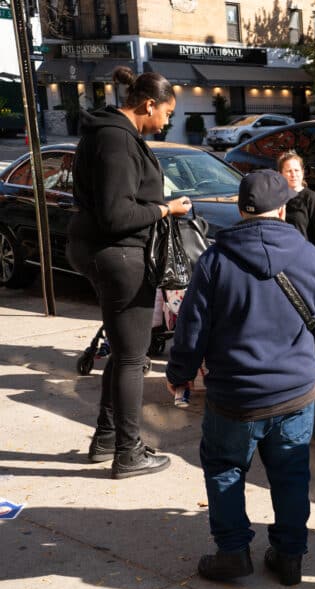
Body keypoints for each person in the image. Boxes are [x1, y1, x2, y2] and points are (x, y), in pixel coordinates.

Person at [165, 170, 315, 586]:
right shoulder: (313, 259)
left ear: (243, 210)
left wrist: (180, 375)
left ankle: (232, 553)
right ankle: (290, 555)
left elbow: (192, 328)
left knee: (225, 469)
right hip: (295, 393)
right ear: (281, 209)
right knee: (292, 474)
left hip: (235, 396)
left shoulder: (215, 260)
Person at [67, 65, 192, 479]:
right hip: (119, 256)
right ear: (148, 104)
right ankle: (128, 451)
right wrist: (165, 208)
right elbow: (117, 213)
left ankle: (107, 439)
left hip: (105, 253)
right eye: (167, 113)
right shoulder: (117, 140)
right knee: (133, 360)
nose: (168, 121)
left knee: (123, 354)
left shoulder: (107, 134)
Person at [277, 150, 315, 254]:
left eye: (296, 170)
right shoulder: (277, 198)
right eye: (289, 171)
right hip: (282, 256)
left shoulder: (311, 198)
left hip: (304, 257)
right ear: (280, 174)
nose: (293, 174)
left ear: (302, 172)